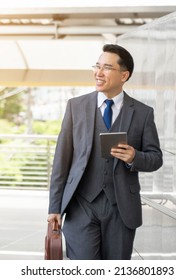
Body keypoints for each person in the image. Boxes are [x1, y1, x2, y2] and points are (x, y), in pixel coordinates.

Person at [47, 44, 163, 260]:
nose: (98, 73)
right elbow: (61, 161)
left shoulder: (142, 113)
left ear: (124, 75)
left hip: (121, 209)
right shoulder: (76, 106)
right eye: (97, 66)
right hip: (80, 205)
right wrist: (54, 207)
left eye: (107, 68)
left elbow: (156, 158)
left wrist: (134, 157)